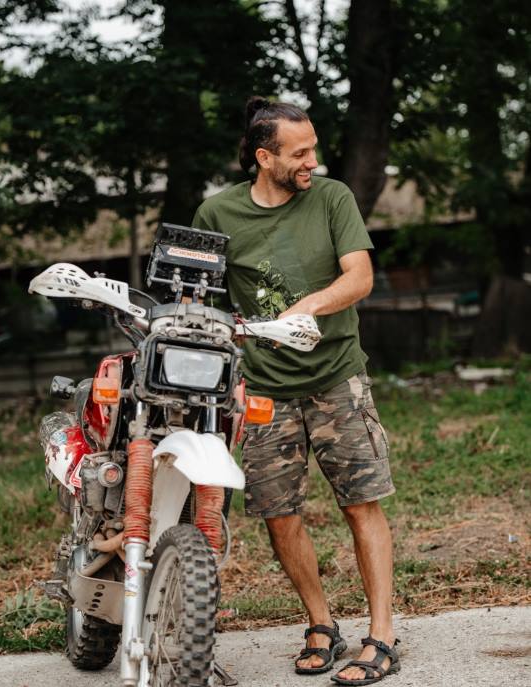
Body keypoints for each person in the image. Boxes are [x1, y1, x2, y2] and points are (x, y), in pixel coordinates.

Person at [192, 96, 399, 686]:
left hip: (337, 378)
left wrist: (310, 304)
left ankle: (381, 635)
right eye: (299, 152)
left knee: (362, 504)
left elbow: (359, 275)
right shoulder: (217, 214)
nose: (313, 160)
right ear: (265, 157)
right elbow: (198, 296)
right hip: (264, 390)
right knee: (279, 515)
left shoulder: (332, 198)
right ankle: (320, 624)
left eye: (313, 148)